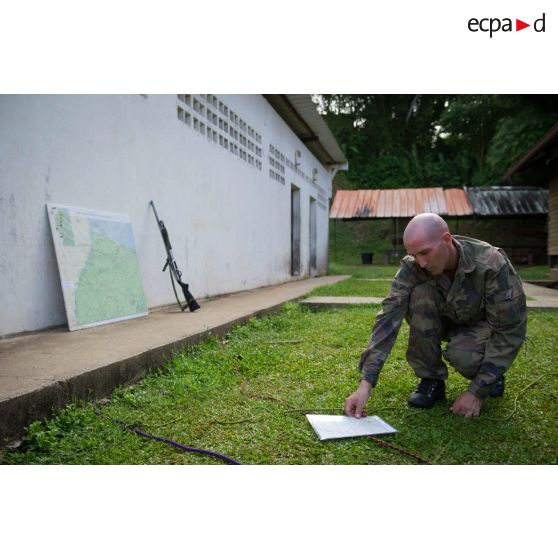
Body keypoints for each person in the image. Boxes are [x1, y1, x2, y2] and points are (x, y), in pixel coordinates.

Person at [344, 213, 527, 419]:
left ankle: (490, 376)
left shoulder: (491, 264)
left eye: (425, 253)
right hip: (446, 321)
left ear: (447, 240)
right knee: (420, 293)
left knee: (463, 356)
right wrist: (366, 383)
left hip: (481, 329)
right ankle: (431, 380)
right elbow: (388, 317)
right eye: (414, 255)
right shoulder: (413, 266)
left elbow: (510, 330)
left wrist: (475, 392)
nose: (420, 263)